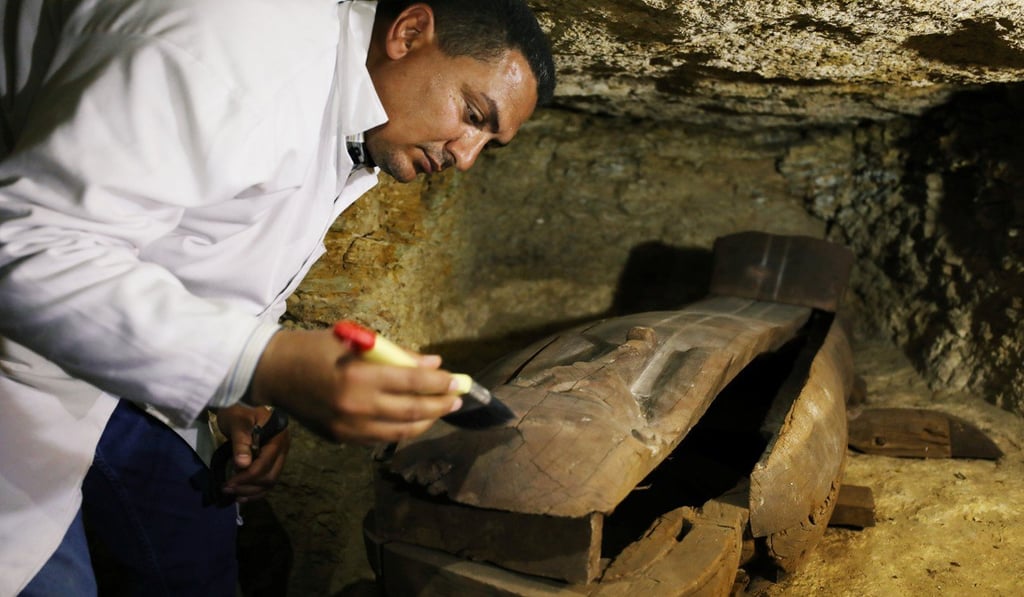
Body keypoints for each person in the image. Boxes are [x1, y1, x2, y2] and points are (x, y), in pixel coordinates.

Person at [0, 0, 556, 594]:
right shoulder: (237, 46)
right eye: (473, 114)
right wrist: (260, 362)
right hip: (24, 340)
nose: (465, 157)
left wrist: (245, 392)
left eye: (487, 143)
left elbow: (211, 231)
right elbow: (26, 246)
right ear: (409, 33)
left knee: (199, 566)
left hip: (99, 346)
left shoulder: (352, 111)